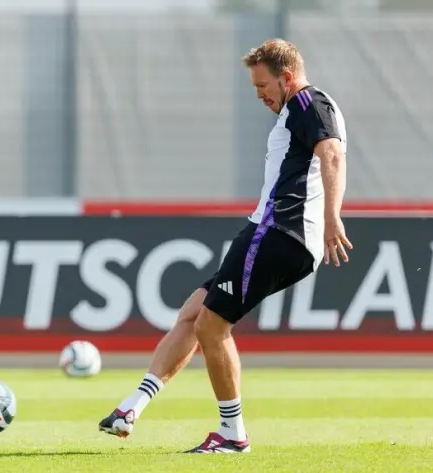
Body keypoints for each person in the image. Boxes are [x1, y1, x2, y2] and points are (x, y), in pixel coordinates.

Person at [98, 38, 352, 454]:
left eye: (262, 86)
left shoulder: (308, 103)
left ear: (287, 77)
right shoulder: (300, 108)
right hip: (273, 233)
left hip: (277, 231)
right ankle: (131, 408)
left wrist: (331, 217)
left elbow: (332, 154)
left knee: (211, 326)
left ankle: (232, 435)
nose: (260, 96)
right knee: (193, 315)